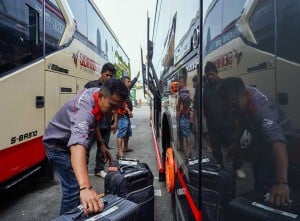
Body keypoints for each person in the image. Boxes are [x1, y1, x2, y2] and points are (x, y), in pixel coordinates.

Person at [43, 79, 128, 215]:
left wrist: (101, 144)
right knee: (73, 188)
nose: (113, 112)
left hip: (67, 142)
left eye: (117, 108)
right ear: (100, 97)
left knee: (77, 185)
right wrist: (86, 187)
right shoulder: (84, 111)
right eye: (112, 106)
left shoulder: (98, 95)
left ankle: (77, 212)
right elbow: (77, 145)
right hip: (57, 146)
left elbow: (93, 123)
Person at [217, 77, 291, 206]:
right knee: (259, 169)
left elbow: (277, 142)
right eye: (228, 107)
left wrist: (281, 182)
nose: (232, 110)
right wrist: (236, 142)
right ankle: (260, 196)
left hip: (282, 140)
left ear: (245, 94)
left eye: (233, 105)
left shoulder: (260, 109)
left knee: (267, 176)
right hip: (263, 139)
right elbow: (241, 120)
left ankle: (271, 199)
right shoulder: (241, 99)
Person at [203, 61, 246, 179]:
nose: (210, 77)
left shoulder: (225, 85)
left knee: (233, 144)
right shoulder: (205, 88)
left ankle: (237, 167)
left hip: (227, 122)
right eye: (207, 75)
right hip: (212, 124)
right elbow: (203, 105)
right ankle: (219, 166)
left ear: (216, 73)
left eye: (211, 74)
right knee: (215, 147)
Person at [84, 62, 117, 178]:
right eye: (107, 75)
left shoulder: (112, 89)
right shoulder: (90, 85)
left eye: (111, 76)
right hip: (92, 124)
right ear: (102, 73)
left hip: (106, 123)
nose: (108, 78)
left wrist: (115, 121)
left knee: (103, 147)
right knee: (85, 147)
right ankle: (83, 170)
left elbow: (115, 107)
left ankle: (99, 169)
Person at [116, 72, 140, 158]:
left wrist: (137, 77)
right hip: (122, 116)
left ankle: (125, 147)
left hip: (126, 116)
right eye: (128, 81)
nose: (129, 83)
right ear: (123, 82)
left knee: (127, 133)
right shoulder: (120, 91)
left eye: (130, 81)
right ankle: (119, 152)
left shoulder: (127, 90)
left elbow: (133, 83)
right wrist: (128, 111)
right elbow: (120, 103)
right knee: (121, 134)